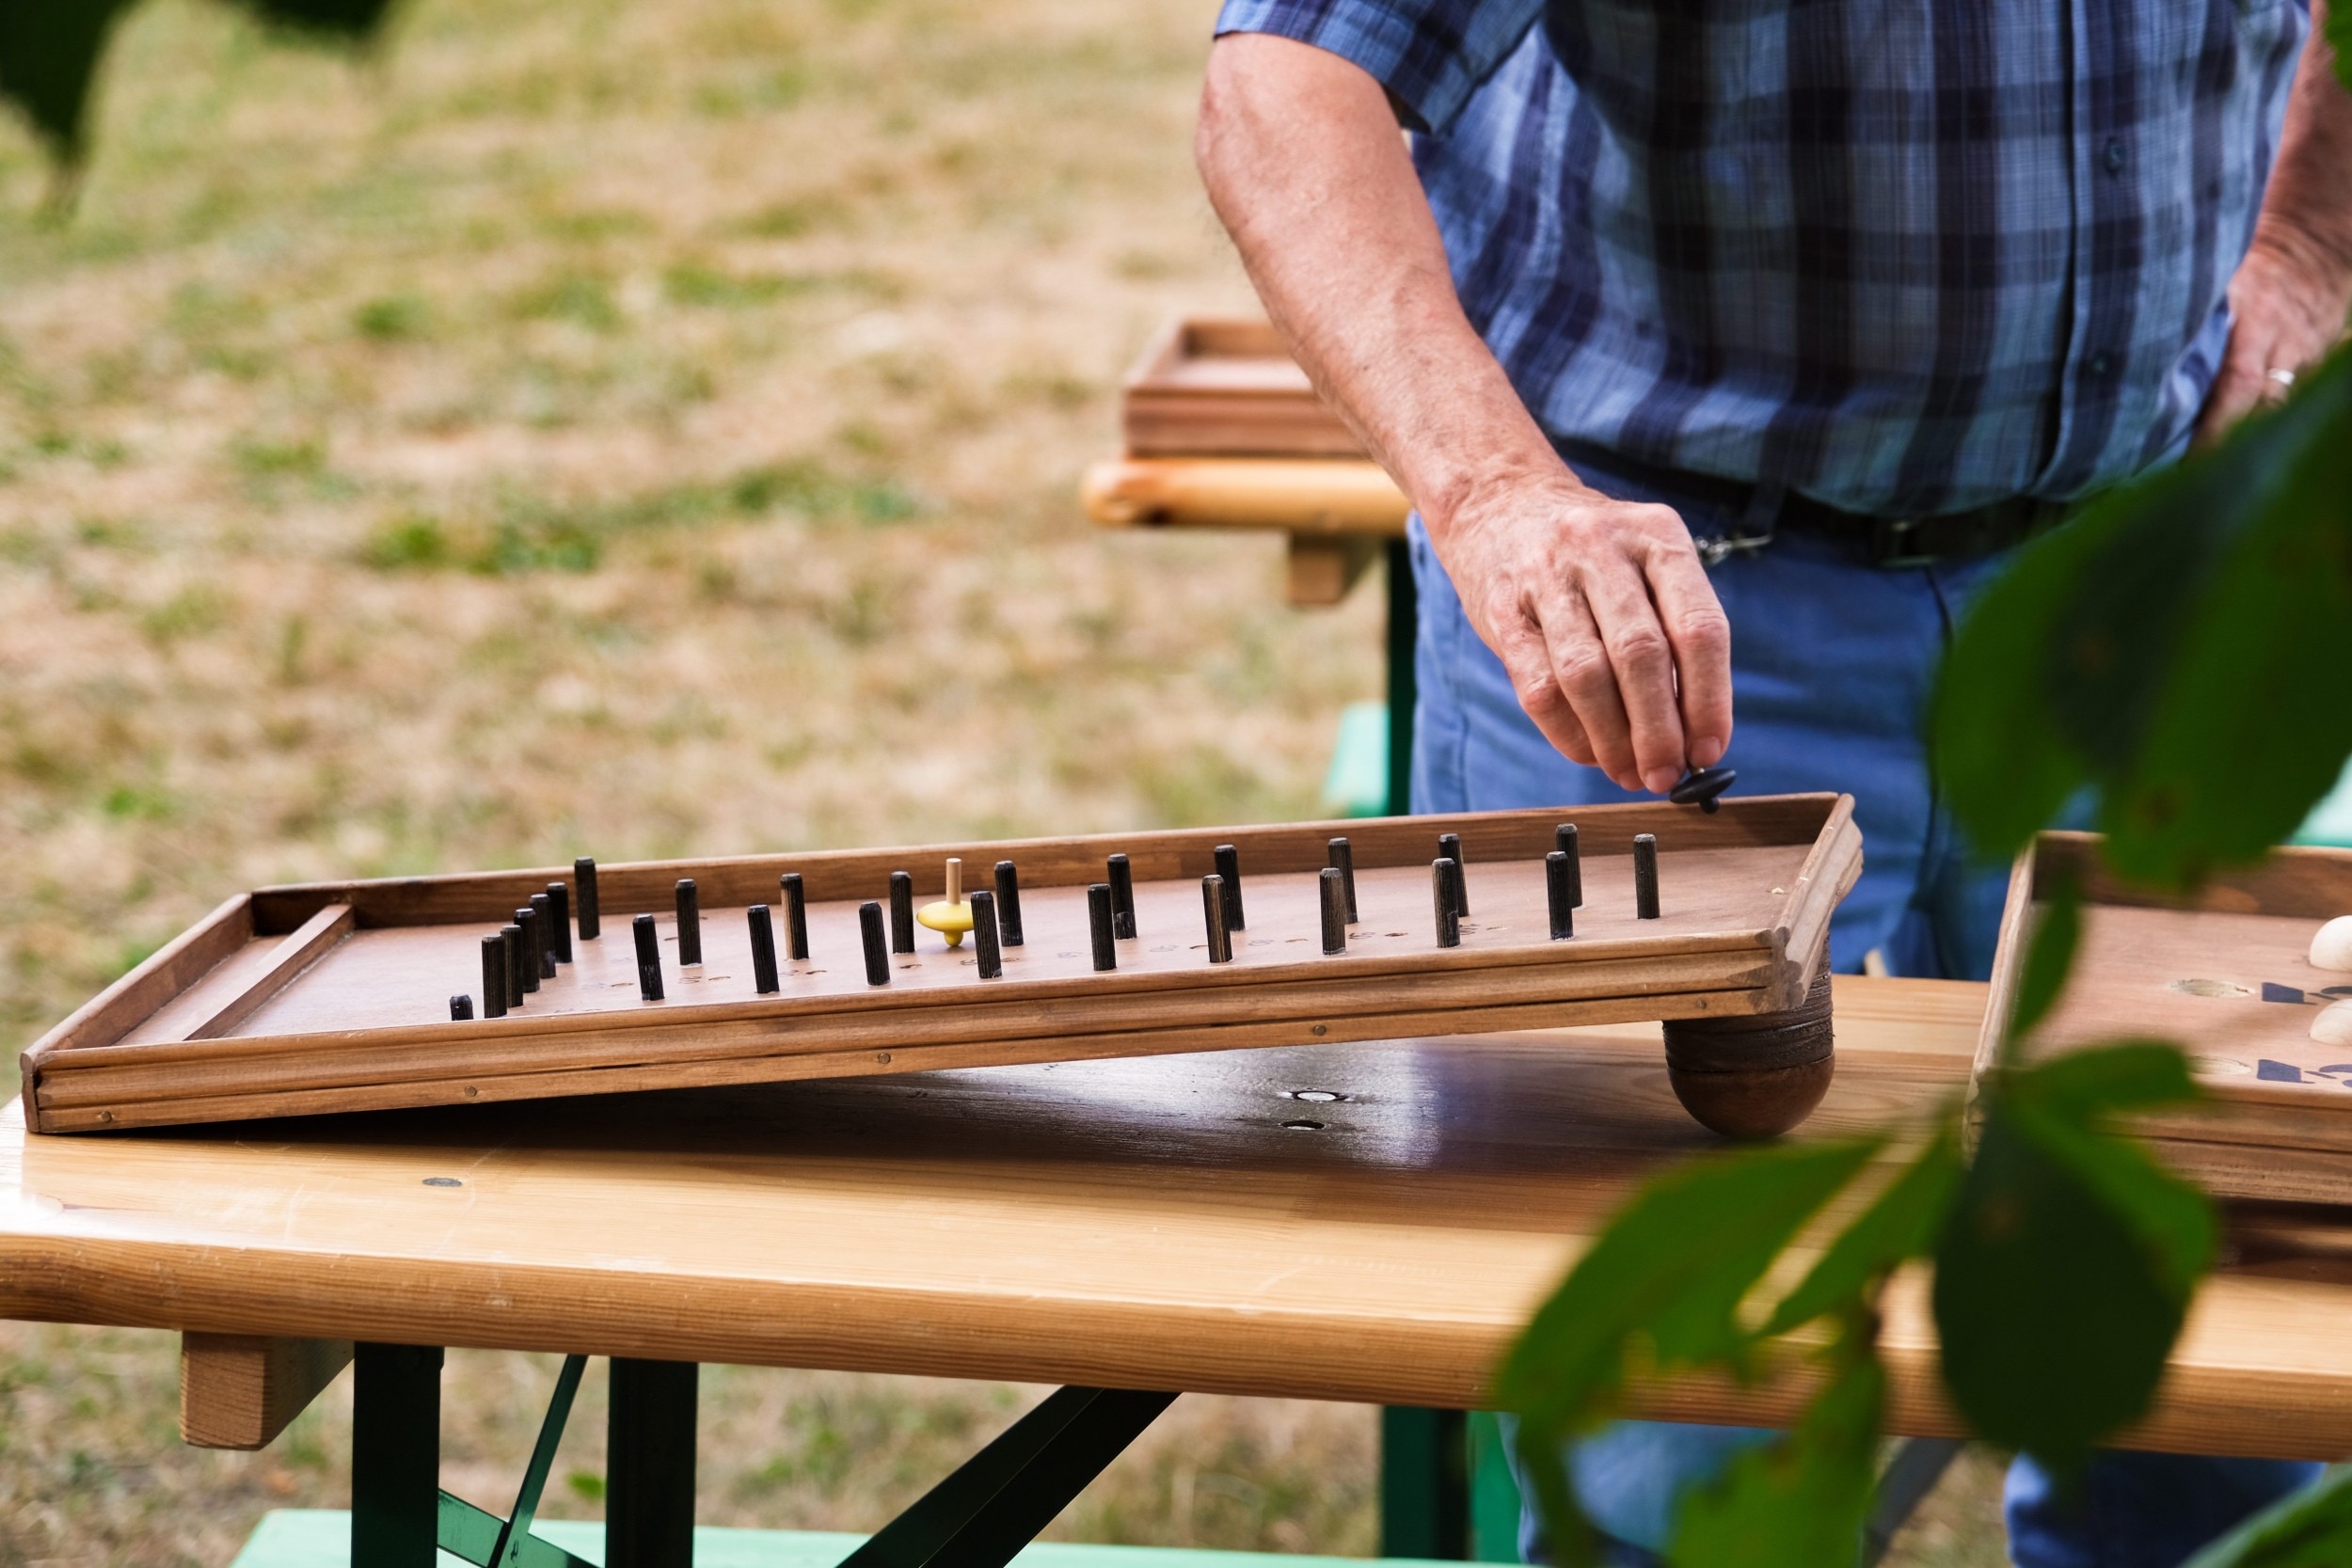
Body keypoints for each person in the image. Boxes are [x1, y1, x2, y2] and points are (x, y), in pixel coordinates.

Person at [1193, 1, 2352, 1564]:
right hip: (1673, 616)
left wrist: (2308, 250)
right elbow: (1284, 82)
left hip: (2140, 585)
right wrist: (1495, 494)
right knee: (1678, 1445)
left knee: (2216, 1375)